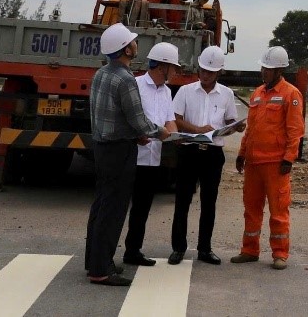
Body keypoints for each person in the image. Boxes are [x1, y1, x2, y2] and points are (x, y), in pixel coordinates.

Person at [84, 24, 173, 287]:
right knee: (113, 210)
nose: (136, 44)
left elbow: (111, 115)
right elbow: (138, 120)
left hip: (102, 147)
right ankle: (101, 270)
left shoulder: (101, 74)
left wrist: (136, 133)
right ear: (126, 49)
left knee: (101, 205)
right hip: (119, 151)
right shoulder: (125, 78)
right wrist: (161, 133)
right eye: (133, 42)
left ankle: (95, 260)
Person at [232, 46, 305, 271]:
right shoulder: (257, 94)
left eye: (268, 68)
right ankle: (249, 250)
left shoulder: (291, 94)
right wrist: (242, 153)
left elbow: (295, 130)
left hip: (275, 164)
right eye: (263, 67)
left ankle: (280, 253)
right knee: (251, 209)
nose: (264, 71)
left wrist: (288, 159)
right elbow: (251, 129)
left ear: (279, 70)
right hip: (254, 163)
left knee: (278, 210)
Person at [169, 45, 243, 265]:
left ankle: (205, 249)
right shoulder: (185, 91)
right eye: (202, 70)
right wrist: (197, 130)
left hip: (213, 154)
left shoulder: (227, 94)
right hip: (189, 151)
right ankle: (178, 248)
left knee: (209, 202)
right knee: (182, 201)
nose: (205, 74)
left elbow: (230, 121)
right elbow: (176, 118)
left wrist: (236, 127)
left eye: (210, 72)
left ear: (219, 72)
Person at [121, 42, 180, 269]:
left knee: (142, 208)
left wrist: (174, 135)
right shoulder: (134, 85)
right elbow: (125, 118)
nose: (174, 72)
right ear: (162, 67)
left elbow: (170, 120)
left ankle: (132, 250)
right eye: (172, 67)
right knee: (119, 207)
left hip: (152, 159)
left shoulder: (166, 92)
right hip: (130, 157)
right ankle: (105, 252)